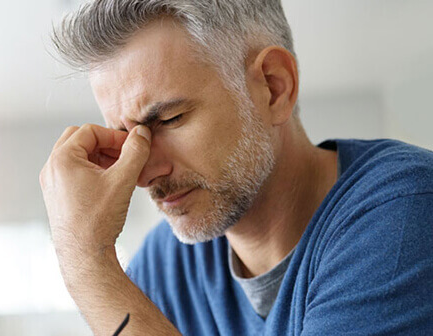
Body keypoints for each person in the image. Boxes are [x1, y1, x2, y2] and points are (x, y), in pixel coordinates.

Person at [39, 1, 433, 335]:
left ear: (273, 88)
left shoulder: (406, 213)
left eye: (171, 119)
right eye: (125, 135)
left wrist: (87, 261)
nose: (143, 173)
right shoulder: (164, 266)